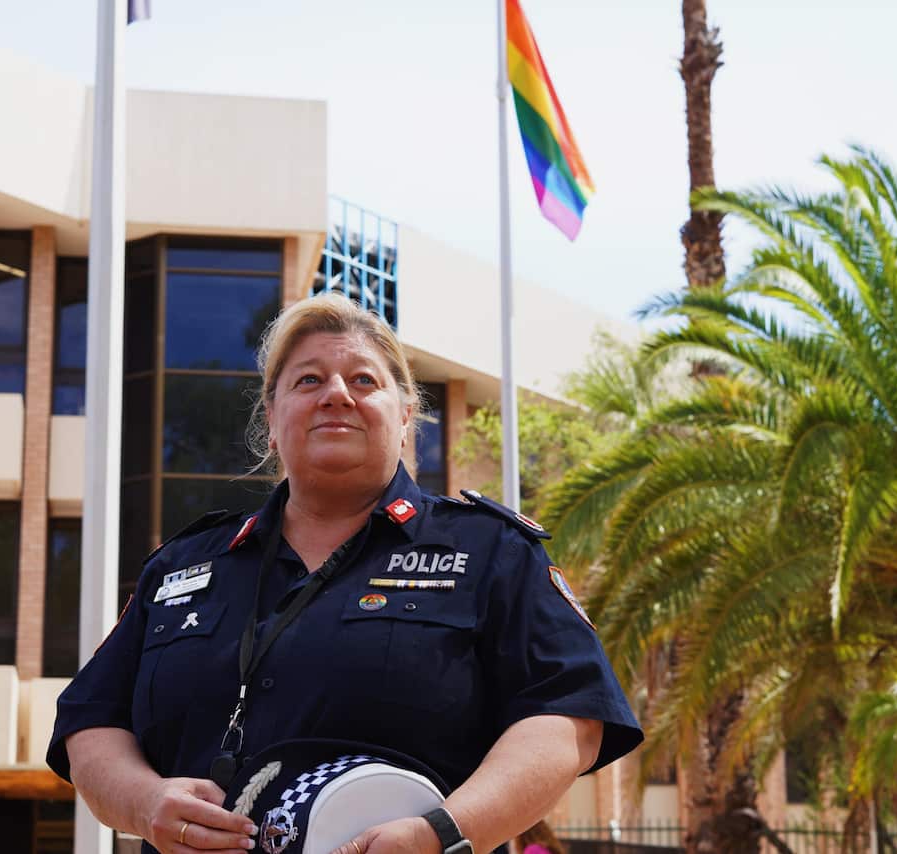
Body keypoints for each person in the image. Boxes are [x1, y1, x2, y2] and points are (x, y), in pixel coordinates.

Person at [47, 294, 643, 854]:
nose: (336, 394)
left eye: (364, 381)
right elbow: (89, 723)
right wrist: (144, 800)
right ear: (271, 419)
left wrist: (442, 833)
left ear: (405, 416)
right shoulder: (182, 566)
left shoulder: (494, 552)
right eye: (308, 380)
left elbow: (568, 719)